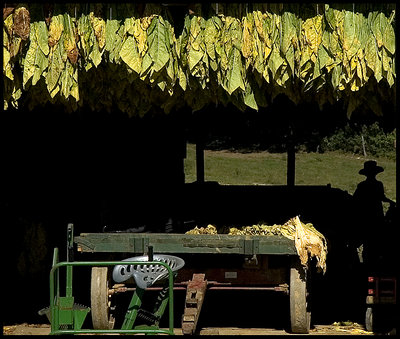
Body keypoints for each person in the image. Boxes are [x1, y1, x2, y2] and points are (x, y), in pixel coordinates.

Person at [352, 160, 394, 264]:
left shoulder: (362, 185)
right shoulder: (378, 184)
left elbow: (355, 199)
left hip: (366, 216)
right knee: (375, 240)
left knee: (368, 241)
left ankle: (368, 262)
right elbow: (381, 197)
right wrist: (391, 202)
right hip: (376, 216)